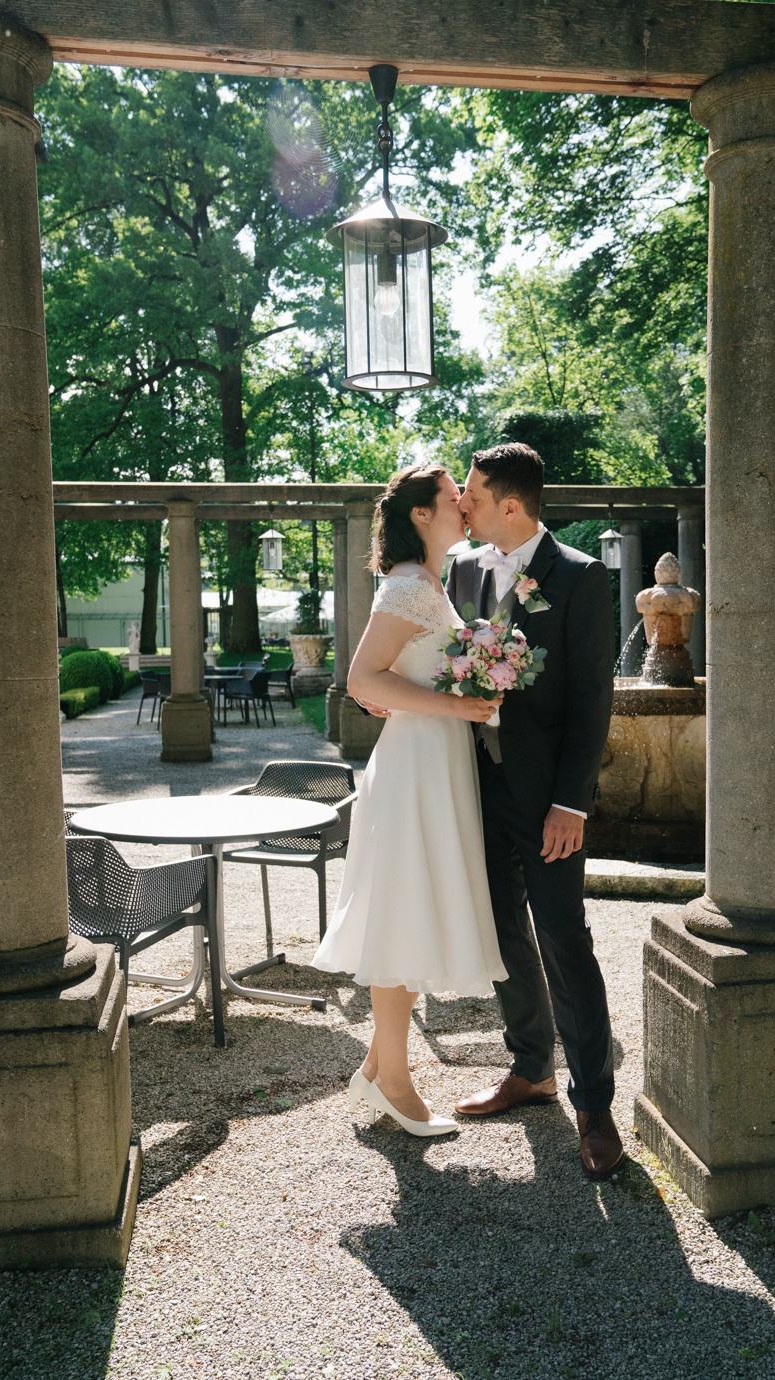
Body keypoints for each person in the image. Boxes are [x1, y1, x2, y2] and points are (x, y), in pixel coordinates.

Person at [312, 465, 507, 1137]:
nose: (464, 504)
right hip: (414, 766)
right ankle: (395, 1082)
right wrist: (455, 702)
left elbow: (395, 677)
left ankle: (374, 1071)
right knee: (401, 913)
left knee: (412, 910)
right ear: (422, 515)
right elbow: (364, 676)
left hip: (434, 759)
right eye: (454, 496)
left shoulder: (429, 584)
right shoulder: (406, 584)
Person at [447, 442, 623, 1180]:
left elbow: (592, 702)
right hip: (474, 784)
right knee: (496, 927)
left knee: (562, 937)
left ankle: (595, 1106)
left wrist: (569, 805)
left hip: (548, 796)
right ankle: (530, 1068)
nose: (463, 505)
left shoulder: (580, 578)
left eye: (475, 495)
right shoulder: (462, 568)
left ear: (510, 506)